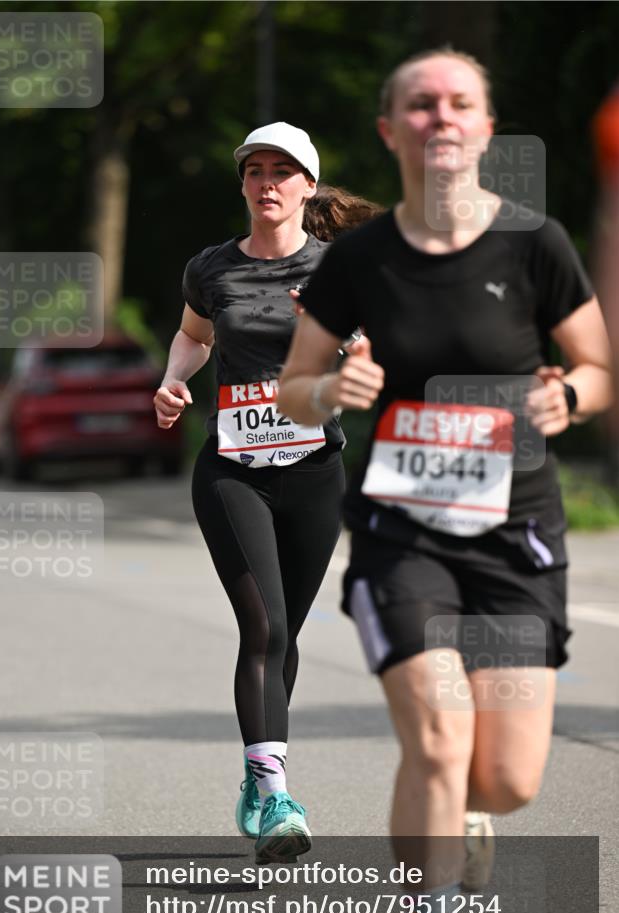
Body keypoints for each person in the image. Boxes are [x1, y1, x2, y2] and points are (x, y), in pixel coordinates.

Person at [278, 48, 612, 913]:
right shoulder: (357, 259)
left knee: (502, 779)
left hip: (514, 533)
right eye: (418, 105)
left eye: (458, 102)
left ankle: (467, 816)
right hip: (401, 535)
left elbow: (594, 363)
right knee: (436, 737)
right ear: (391, 131)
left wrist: (571, 398)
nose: (440, 117)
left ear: (484, 127)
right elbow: (296, 390)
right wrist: (328, 387)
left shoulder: (534, 244)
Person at [153, 122, 381, 865]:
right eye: (255, 170)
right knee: (262, 624)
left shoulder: (340, 269)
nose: (267, 183)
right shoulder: (210, 268)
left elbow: (374, 346)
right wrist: (172, 380)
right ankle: (275, 791)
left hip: (314, 472)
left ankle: (259, 781)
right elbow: (194, 334)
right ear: (243, 184)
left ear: (307, 186)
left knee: (284, 634)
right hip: (233, 473)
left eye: (283, 171)